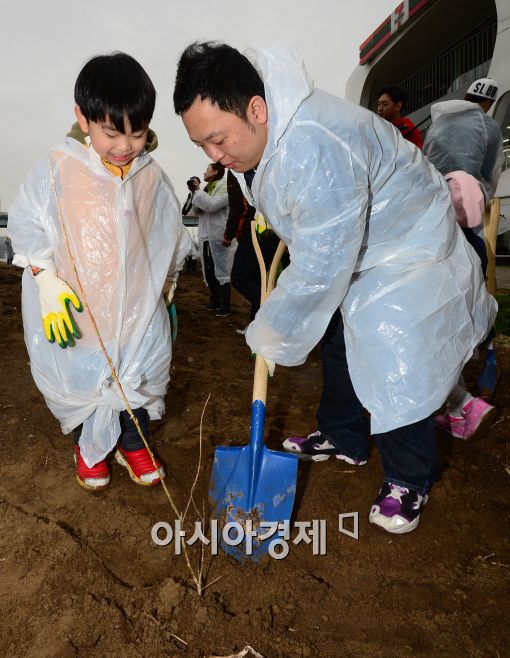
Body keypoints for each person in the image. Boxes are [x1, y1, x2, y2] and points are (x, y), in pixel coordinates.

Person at [173, 41, 496, 535]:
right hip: (358, 240)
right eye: (202, 146)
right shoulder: (262, 134)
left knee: (392, 354)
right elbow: (305, 219)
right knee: (340, 336)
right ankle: (345, 436)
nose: (214, 155)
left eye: (218, 139)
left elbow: (323, 268)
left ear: (256, 109)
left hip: (405, 246)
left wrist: (271, 331)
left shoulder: (314, 146)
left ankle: (410, 477)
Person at [8, 52, 192, 492]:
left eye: (137, 132)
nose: (125, 146)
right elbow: (30, 223)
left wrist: (166, 291)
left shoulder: (151, 175)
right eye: (111, 133)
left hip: (135, 309)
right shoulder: (59, 168)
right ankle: (88, 448)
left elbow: (167, 236)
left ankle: (133, 443)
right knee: (83, 378)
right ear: (83, 118)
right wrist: (46, 280)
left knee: (138, 380)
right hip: (78, 306)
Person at [423, 77, 504, 437]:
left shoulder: (439, 120)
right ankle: (461, 399)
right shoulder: (487, 127)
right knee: (463, 300)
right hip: (467, 225)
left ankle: (457, 401)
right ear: (489, 102)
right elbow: (491, 174)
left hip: (429, 221)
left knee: (435, 312)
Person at [224, 170, 283, 332]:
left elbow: (238, 205)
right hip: (272, 229)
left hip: (257, 229)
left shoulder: (236, 168)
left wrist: (230, 233)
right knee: (258, 278)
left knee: (240, 277)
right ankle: (258, 325)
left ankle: (270, 310)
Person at [192, 162, 235, 316]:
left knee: (222, 271)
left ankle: (225, 306)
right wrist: (194, 192)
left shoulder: (224, 186)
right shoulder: (207, 189)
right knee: (209, 270)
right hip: (206, 235)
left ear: (216, 171)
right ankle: (215, 300)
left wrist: (198, 191)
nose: (204, 173)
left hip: (219, 235)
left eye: (207, 170)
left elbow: (211, 206)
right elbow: (194, 211)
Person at [377, 84, 423, 149]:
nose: (380, 108)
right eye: (379, 104)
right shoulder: (382, 129)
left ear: (398, 106)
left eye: (385, 104)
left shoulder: (407, 129)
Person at [182, 175, 201, 274]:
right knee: (190, 244)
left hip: (196, 221)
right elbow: (185, 209)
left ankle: (192, 268)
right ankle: (191, 268)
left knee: (194, 246)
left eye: (194, 182)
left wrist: (197, 190)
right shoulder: (189, 196)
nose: (192, 184)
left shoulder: (200, 194)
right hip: (185, 222)